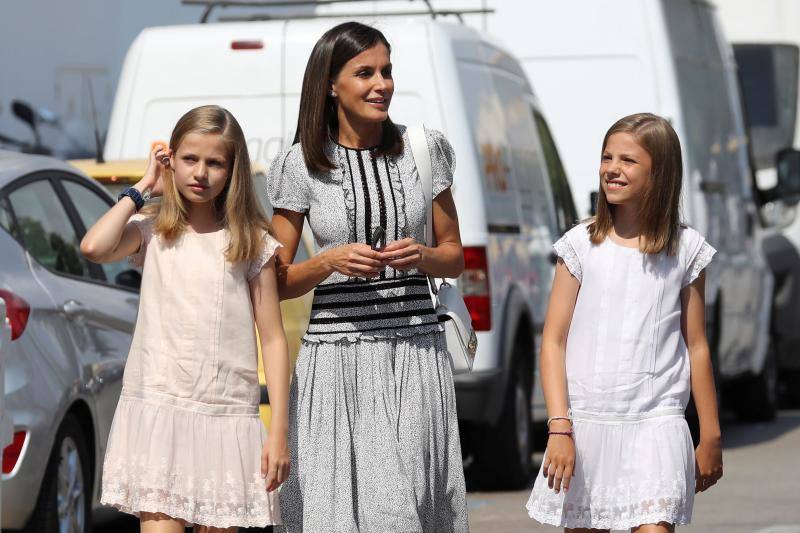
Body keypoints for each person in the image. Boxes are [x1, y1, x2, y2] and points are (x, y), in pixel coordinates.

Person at [266, 21, 469, 533]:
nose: (382, 84)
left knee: (407, 511)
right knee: (340, 515)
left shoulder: (423, 150)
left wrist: (420, 255)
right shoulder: (299, 164)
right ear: (331, 84)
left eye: (387, 71)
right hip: (335, 364)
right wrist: (328, 263)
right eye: (365, 73)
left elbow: (454, 256)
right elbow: (275, 280)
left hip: (415, 356)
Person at [81, 105, 290, 532]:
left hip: (225, 416)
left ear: (232, 171)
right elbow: (93, 248)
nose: (201, 173)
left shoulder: (250, 241)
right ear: (171, 159)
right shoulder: (152, 230)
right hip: (160, 409)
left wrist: (279, 431)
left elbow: (273, 338)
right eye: (190, 159)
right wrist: (143, 186)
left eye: (215, 163)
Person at [526, 113, 724, 532]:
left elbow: (697, 346)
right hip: (587, 424)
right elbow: (553, 342)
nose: (612, 168)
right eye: (607, 157)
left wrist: (710, 434)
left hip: (657, 422)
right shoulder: (581, 245)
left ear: (661, 174)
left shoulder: (686, 249)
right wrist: (560, 427)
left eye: (628, 160)